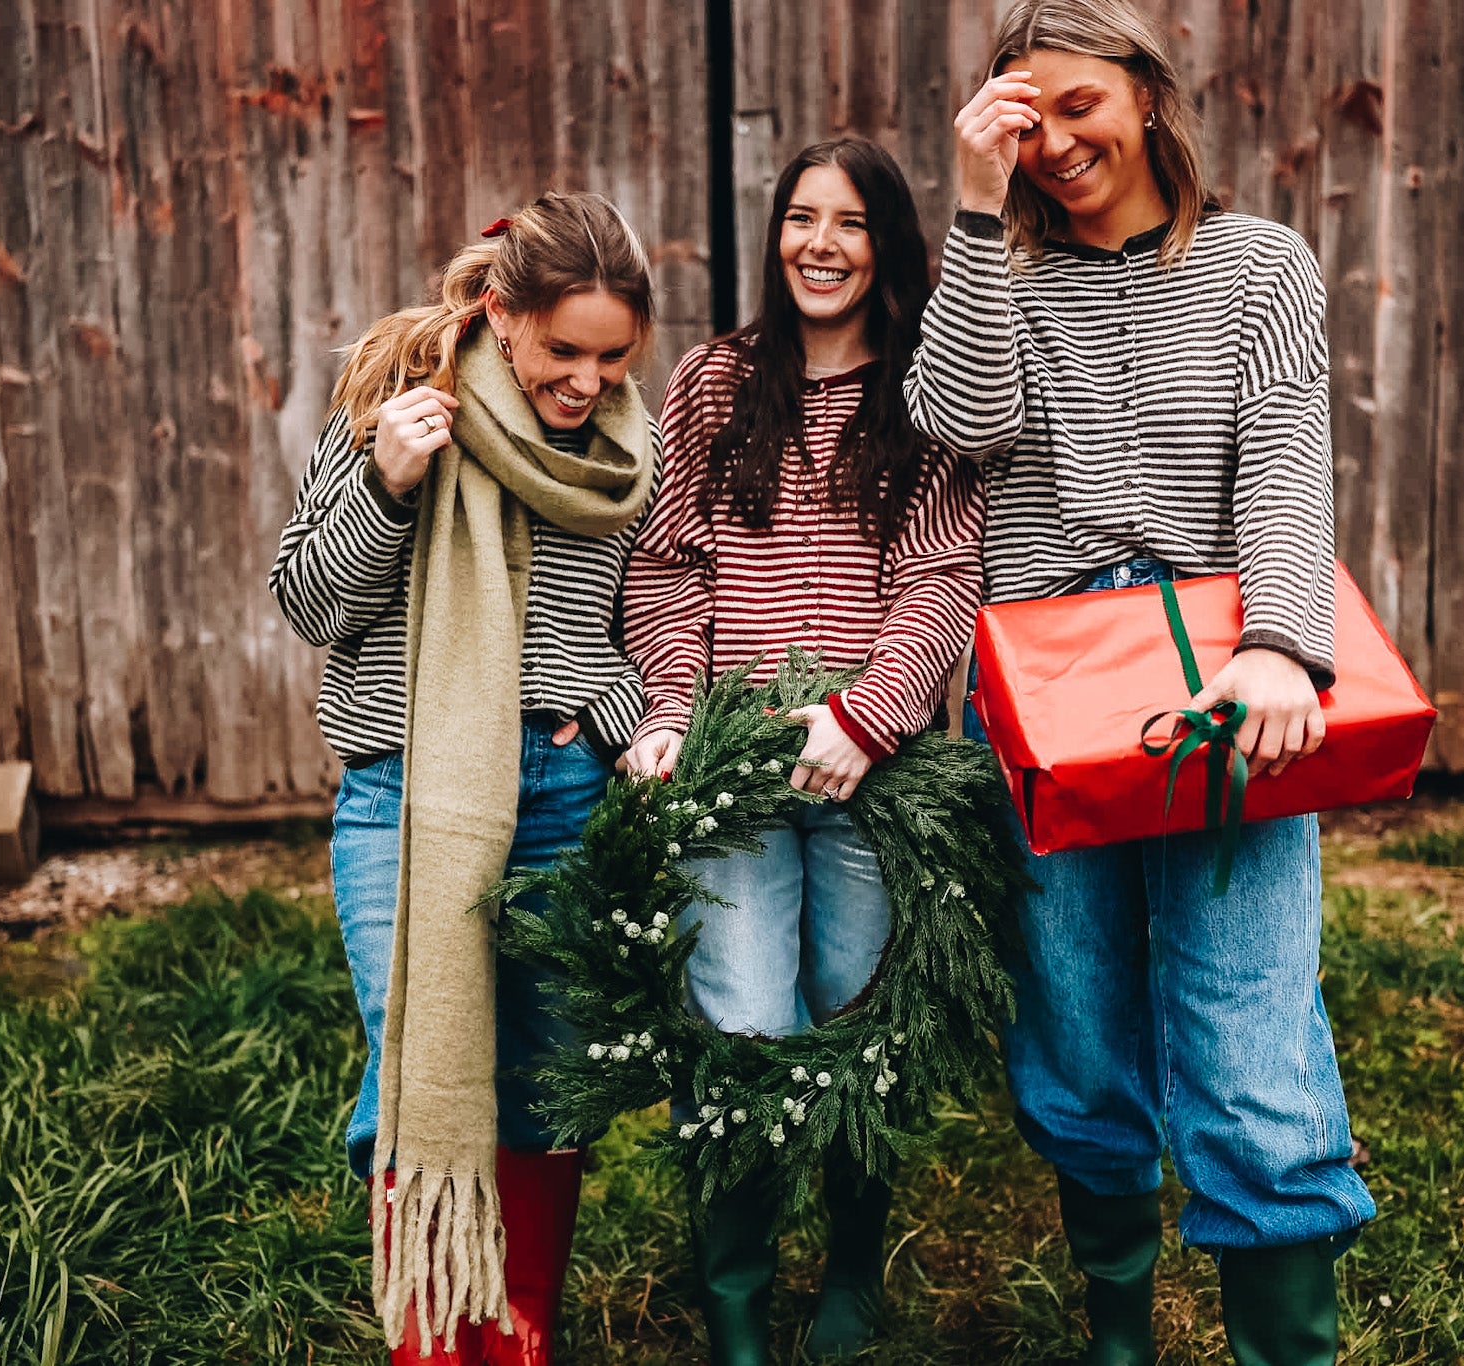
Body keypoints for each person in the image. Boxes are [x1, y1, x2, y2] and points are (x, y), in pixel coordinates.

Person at [903, 3, 1376, 1363]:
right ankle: (1121, 1332)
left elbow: (1285, 462)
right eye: (1021, 118)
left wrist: (1283, 643)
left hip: (1219, 681)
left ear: (1150, 94)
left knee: (1246, 1020)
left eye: (1077, 106)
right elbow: (962, 417)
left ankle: (1285, 1342)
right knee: (1076, 1016)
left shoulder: (1259, 266)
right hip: (1044, 682)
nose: (1053, 142)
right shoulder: (1003, 269)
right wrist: (979, 214)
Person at [269, 191, 658, 1366]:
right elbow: (307, 602)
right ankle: (436, 1331)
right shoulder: (395, 402)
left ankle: (516, 1325)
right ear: (499, 311)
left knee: (544, 1072)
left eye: (611, 355)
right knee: (420, 1062)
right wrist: (385, 484)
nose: (587, 381)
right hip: (407, 792)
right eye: (562, 351)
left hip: (557, 793)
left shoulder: (624, 450)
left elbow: (629, 628)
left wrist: (614, 716)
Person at [621, 137, 983, 1365]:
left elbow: (942, 580)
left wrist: (869, 714)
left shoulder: (928, 392)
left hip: (872, 775)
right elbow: (667, 567)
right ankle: (732, 1294)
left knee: (855, 1016)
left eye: (849, 223)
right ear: (774, 235)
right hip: (734, 764)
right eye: (797, 218)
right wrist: (673, 710)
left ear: (887, 243)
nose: (818, 244)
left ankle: (848, 1262)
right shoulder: (715, 384)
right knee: (739, 1019)